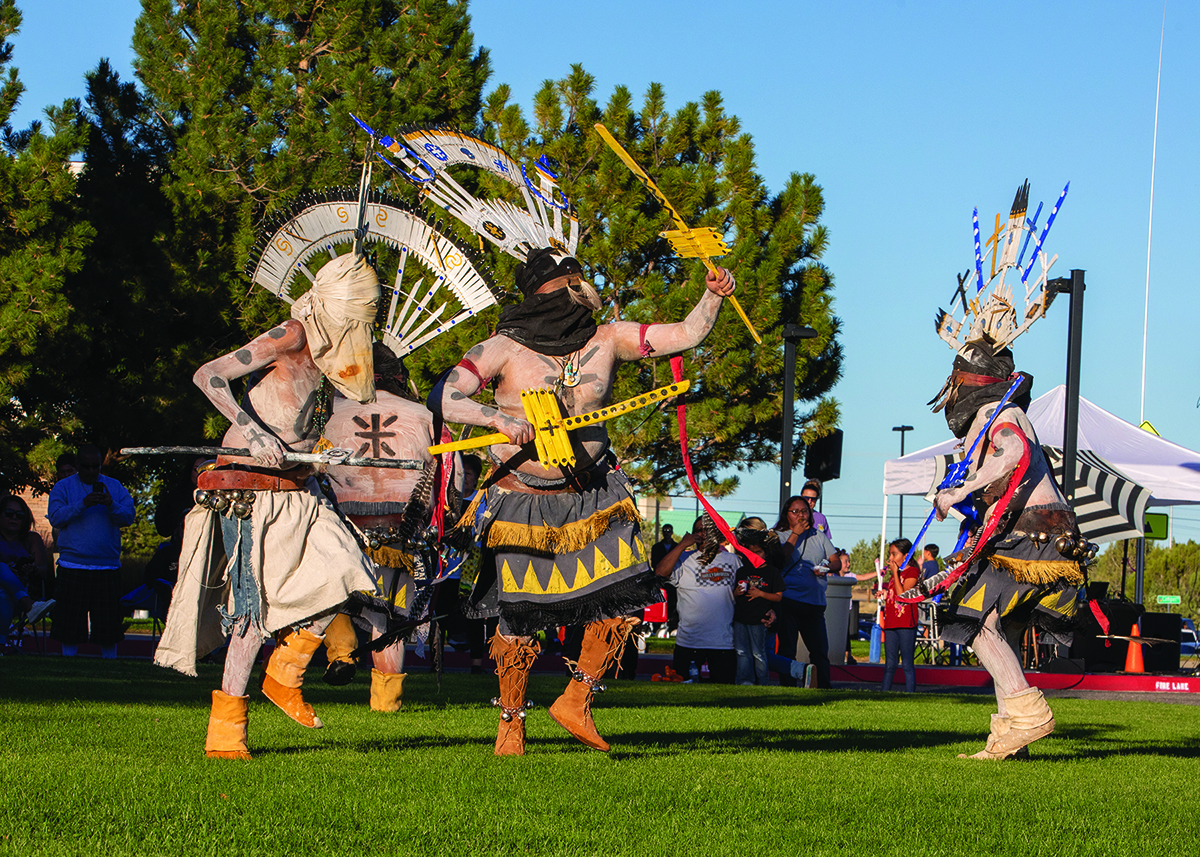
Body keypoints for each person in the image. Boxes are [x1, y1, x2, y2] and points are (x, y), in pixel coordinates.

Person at [437, 247, 738, 754]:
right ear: (542, 293)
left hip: (593, 494)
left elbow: (684, 335)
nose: (577, 292)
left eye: (578, 282)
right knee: (520, 616)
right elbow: (444, 395)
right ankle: (511, 721)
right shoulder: (503, 348)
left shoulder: (609, 337)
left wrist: (712, 296)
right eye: (566, 285)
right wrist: (498, 420)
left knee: (624, 601)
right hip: (521, 502)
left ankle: (576, 700)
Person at [154, 253, 379, 760]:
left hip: (296, 483)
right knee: (252, 614)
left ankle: (284, 675)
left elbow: (301, 422)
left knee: (348, 573)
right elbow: (207, 376)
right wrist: (253, 432)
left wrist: (321, 458)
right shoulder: (291, 333)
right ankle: (225, 732)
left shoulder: (339, 353)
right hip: (246, 486)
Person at [922, 346, 1084, 759]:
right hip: (1048, 535)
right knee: (1004, 629)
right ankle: (1010, 738)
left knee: (971, 622)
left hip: (1032, 535)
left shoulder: (995, 415)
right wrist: (957, 497)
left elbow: (1011, 452)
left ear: (965, 380)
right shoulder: (1005, 412)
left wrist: (959, 489)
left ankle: (1029, 717)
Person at [322, 341, 447, 711]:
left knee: (335, 596)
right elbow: (448, 477)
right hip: (401, 521)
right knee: (389, 612)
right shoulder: (422, 414)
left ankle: (342, 652)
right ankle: (385, 701)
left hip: (344, 519)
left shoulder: (331, 414)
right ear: (398, 376)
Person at [46, 445, 136, 659]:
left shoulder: (114, 487)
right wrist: (82, 504)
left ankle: (109, 662)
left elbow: (128, 517)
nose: (90, 471)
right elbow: (56, 517)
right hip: (72, 564)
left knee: (108, 623)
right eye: (85, 467)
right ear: (77, 466)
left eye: (95, 466)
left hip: (107, 565)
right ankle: (68, 661)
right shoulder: (63, 487)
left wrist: (111, 504)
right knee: (69, 621)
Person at [654, 515, 738, 684]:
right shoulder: (684, 559)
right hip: (689, 640)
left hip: (722, 641)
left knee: (723, 692)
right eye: (699, 530)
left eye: (707, 529)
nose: (703, 533)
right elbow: (660, 573)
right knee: (682, 690)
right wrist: (682, 545)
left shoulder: (732, 560)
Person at [773, 496, 841, 688]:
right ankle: (788, 687)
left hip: (814, 603)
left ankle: (823, 687)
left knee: (819, 650)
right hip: (788, 600)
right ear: (787, 514)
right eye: (795, 512)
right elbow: (780, 560)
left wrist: (826, 567)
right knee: (787, 649)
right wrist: (795, 534)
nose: (801, 516)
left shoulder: (818, 535)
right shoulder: (778, 536)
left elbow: (836, 561)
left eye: (804, 512)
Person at [730, 518, 784, 685]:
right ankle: (744, 681)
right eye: (750, 551)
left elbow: (779, 596)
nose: (755, 555)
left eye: (759, 551)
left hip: (760, 620)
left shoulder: (772, 571)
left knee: (759, 652)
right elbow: (732, 596)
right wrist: (737, 593)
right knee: (741, 651)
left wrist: (761, 594)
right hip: (741, 618)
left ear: (766, 552)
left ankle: (763, 682)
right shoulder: (741, 570)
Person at [879, 538, 919, 693]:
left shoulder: (912, 572)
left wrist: (896, 573)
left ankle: (910, 694)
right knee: (890, 664)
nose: (890, 559)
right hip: (891, 622)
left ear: (906, 555)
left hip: (906, 623)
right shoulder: (894, 575)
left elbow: (903, 594)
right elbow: (894, 593)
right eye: (890, 554)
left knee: (907, 664)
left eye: (894, 554)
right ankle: (884, 693)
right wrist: (884, 593)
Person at [1, 495, 51, 597]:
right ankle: (27, 604)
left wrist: (31, 569)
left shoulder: (32, 538)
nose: (14, 518)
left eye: (20, 515)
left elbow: (42, 569)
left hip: (27, 588)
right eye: (9, 513)